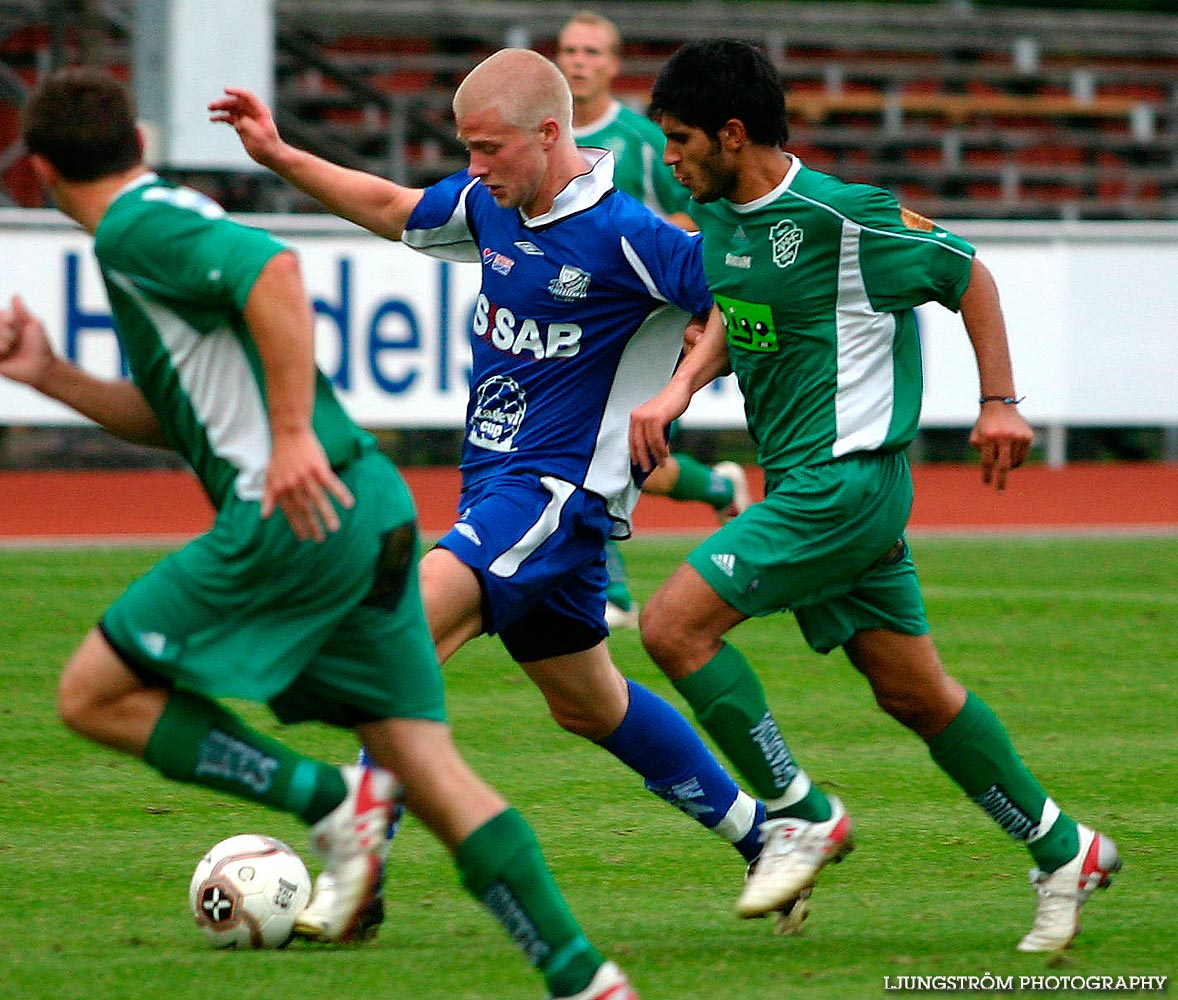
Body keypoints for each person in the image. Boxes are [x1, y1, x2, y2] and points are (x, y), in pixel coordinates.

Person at [6, 66, 637, 1000]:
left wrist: (293, 435)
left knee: (93, 694)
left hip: (292, 516)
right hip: (367, 505)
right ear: (136, 142)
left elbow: (278, 269)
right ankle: (585, 979)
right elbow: (173, 414)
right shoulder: (139, 231)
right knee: (429, 770)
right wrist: (50, 374)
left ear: (41, 172)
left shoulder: (139, 227)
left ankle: (329, 800)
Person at [210, 48, 773, 911]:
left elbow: (736, 301)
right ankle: (765, 838)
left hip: (555, 495)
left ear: (548, 135)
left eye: (487, 150)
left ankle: (354, 874)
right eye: (466, 150)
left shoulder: (628, 232)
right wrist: (282, 154)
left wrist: (675, 390)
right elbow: (395, 206)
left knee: (395, 636)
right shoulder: (491, 204)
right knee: (590, 705)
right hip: (497, 492)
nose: (471, 170)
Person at [630, 39, 1120, 954]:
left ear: (733, 135)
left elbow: (966, 270)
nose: (670, 156)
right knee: (916, 694)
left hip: (845, 484)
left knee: (671, 626)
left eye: (681, 138)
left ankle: (798, 813)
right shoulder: (723, 218)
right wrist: (675, 391)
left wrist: (1000, 404)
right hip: (812, 488)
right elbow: (738, 321)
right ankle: (1065, 849)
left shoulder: (841, 218)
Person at [554, 9, 750, 628]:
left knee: (594, 440)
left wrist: (643, 252)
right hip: (576, 310)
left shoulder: (642, 140)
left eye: (592, 51)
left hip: (645, 314)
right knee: (611, 445)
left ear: (613, 65)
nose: (579, 61)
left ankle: (608, 593)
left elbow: (699, 218)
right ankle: (718, 489)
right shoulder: (550, 141)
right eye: (569, 50)